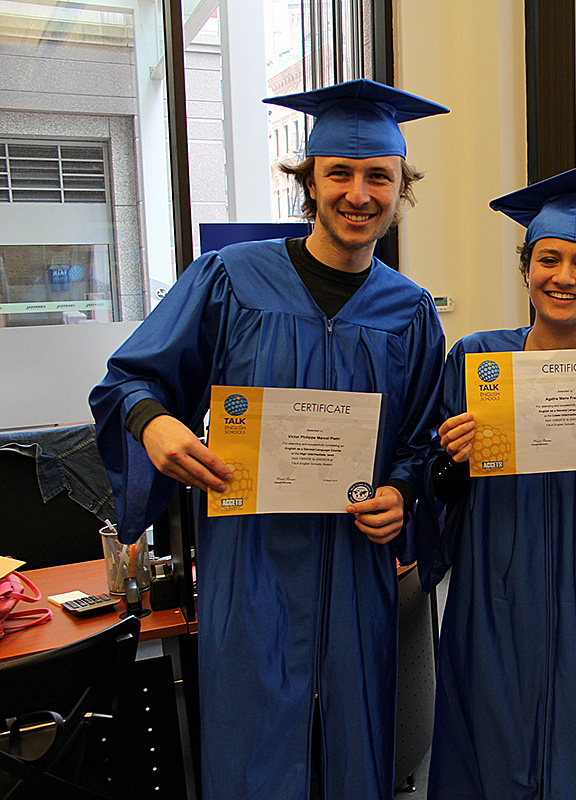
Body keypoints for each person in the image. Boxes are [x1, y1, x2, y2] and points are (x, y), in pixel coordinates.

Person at [89, 79, 448, 800]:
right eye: (339, 173)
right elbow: (127, 380)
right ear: (309, 183)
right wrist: (155, 423)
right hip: (250, 557)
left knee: (358, 739)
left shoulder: (409, 311)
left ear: (399, 190)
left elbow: (421, 442)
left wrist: (402, 492)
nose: (358, 194)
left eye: (379, 177)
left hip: (357, 561)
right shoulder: (230, 279)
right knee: (251, 737)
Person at [419, 166, 576, 800]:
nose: (565, 277)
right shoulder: (477, 358)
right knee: (488, 730)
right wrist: (452, 458)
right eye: (549, 259)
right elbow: (438, 487)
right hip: (494, 584)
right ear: (526, 267)